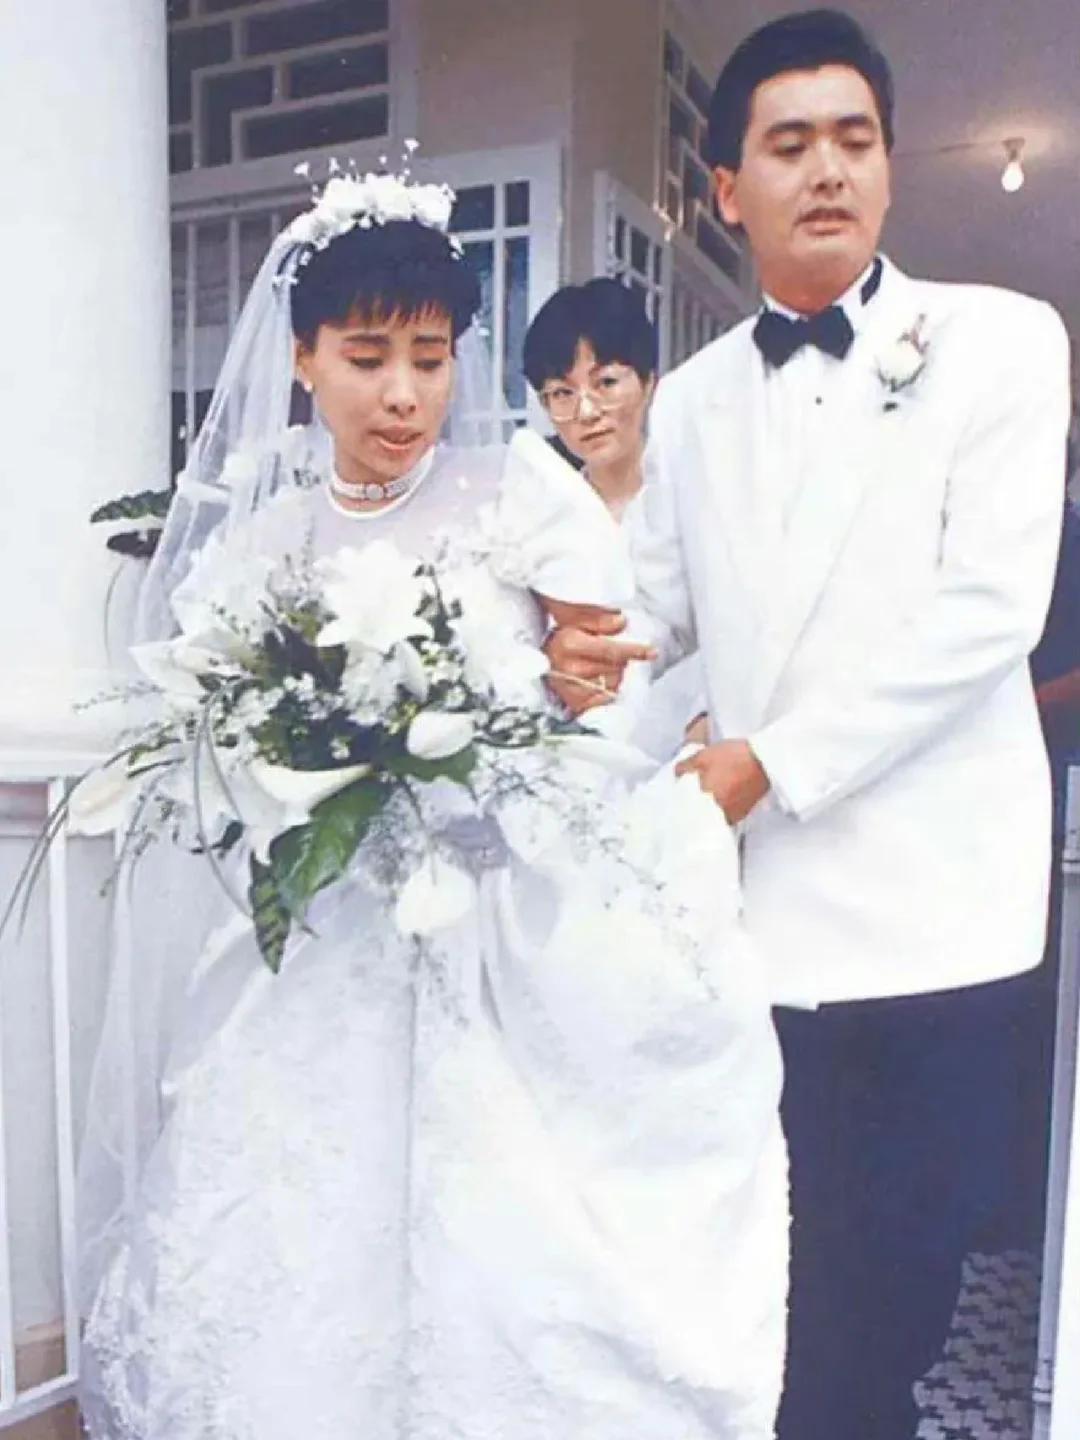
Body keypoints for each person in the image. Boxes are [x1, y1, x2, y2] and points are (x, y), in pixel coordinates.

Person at [75, 173, 788, 1439]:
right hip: (320, 942)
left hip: (484, 923)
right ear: (304, 358)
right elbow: (224, 753)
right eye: (366, 359)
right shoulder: (261, 543)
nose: (404, 394)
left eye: (430, 357)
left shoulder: (519, 490)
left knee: (490, 1228)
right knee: (302, 1226)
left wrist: (557, 690)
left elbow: (604, 678)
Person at [546, 10, 1071, 1440]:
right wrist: (550, 681)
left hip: (936, 922)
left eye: (854, 139)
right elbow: (655, 617)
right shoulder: (693, 401)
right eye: (789, 144)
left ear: (890, 165)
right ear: (727, 188)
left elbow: (987, 613)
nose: (827, 169)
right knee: (776, 1296)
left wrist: (768, 762)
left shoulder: (1003, 342)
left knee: (899, 1303)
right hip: (760, 931)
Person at [524, 277, 707, 759]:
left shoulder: (694, 498)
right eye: (561, 393)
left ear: (648, 382)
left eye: (605, 383)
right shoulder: (538, 511)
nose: (587, 411)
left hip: (684, 738)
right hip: (563, 745)